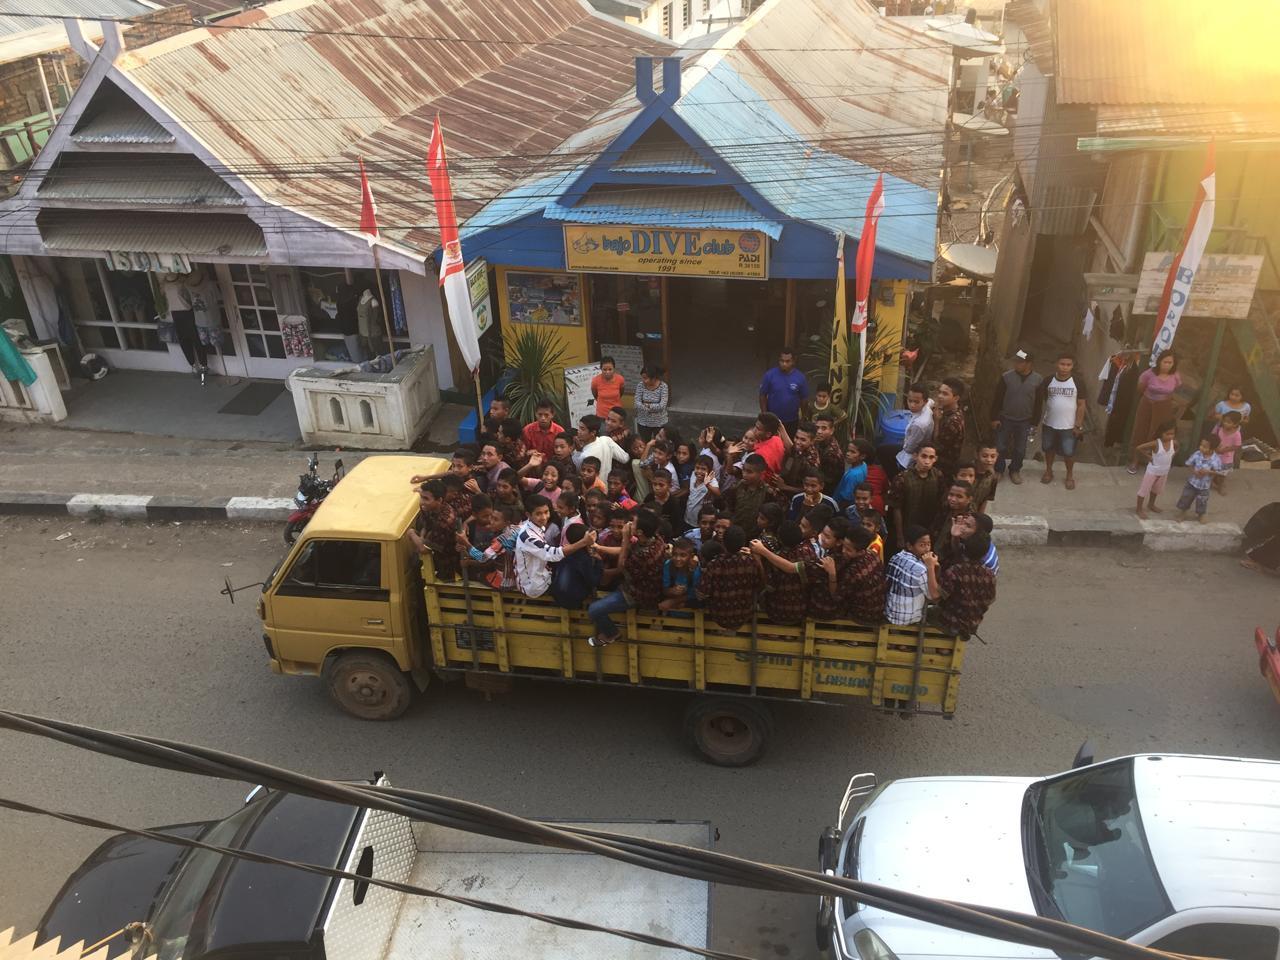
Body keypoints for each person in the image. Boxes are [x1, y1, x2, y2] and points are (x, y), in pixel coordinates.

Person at [587, 510, 666, 647]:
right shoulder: (656, 539)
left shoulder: (644, 555)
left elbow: (621, 565)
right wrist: (598, 547)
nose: (629, 525)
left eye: (633, 523)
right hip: (641, 583)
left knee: (594, 610)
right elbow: (625, 550)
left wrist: (625, 538)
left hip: (636, 593)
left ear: (640, 532)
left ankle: (612, 634)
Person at [514, 495, 597, 598]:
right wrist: (583, 542)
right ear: (528, 515)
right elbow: (553, 554)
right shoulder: (528, 536)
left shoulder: (532, 526)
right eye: (538, 514)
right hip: (534, 586)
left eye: (546, 512)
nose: (544, 517)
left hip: (537, 575)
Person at [989, 349, 1042, 484]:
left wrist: (1034, 423)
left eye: (1020, 362)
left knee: (1020, 448)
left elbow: (1038, 403)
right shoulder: (1006, 377)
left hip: (1025, 420)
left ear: (1029, 364)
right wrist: (994, 418)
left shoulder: (1037, 380)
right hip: (1005, 418)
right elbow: (997, 399)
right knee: (1000, 446)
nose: (1016, 364)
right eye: (1016, 361)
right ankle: (999, 469)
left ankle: (1015, 470)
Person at [1036, 352, 1087, 490]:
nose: (1065, 367)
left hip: (1069, 426)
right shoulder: (1048, 380)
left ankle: (1069, 475)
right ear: (1056, 364)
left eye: (1068, 365)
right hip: (1049, 423)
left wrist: (1078, 425)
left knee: (1068, 452)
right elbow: (1045, 399)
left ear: (1072, 366)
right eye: (1062, 364)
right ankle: (1048, 471)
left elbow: (1081, 405)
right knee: (1048, 448)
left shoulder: (1078, 382)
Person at [698, 525, 763, 629]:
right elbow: (758, 585)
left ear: (723, 542)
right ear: (743, 544)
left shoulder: (714, 564)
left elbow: (702, 593)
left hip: (718, 616)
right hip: (745, 615)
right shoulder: (751, 563)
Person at [1128, 350, 1183, 474]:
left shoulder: (1175, 376)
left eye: (1170, 363)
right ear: (1159, 362)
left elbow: (1176, 390)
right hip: (1147, 403)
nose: (1167, 365)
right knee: (1140, 430)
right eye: (1165, 362)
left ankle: (1153, 461)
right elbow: (1140, 388)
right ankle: (1134, 460)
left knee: (1158, 433)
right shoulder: (1149, 374)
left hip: (1164, 406)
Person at [751, 523, 815, 625]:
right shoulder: (808, 551)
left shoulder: (775, 559)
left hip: (777, 613)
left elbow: (768, 585)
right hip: (801, 611)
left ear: (779, 540)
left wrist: (759, 557)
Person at [935, 533, 996, 637]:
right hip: (973, 623)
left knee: (926, 612)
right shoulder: (990, 575)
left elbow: (937, 597)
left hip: (950, 622)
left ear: (964, 548)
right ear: (985, 553)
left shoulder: (954, 571)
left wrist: (934, 572)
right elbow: (990, 600)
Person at [887, 444, 944, 550]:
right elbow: (896, 508)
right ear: (915, 456)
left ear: (935, 459)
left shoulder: (938, 476)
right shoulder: (902, 479)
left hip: (928, 528)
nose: (927, 461)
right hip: (908, 528)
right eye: (924, 456)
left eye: (931, 457)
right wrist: (900, 536)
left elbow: (940, 501)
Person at [884, 526, 939, 626]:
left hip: (890, 612)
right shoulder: (921, 569)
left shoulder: (896, 556)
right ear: (909, 546)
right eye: (922, 545)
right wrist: (931, 568)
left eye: (929, 544)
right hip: (907, 619)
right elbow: (934, 596)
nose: (927, 549)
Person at [407, 479, 460, 581]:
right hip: (433, 546)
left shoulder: (445, 520)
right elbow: (426, 526)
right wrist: (422, 538)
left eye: (426, 498)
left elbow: (424, 549)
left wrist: (412, 533)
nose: (422, 502)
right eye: (421, 497)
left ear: (439, 500)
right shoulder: (427, 507)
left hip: (447, 563)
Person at [835, 525, 887, 622]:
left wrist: (831, 575)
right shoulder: (872, 554)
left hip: (862, 616)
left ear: (860, 552)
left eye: (848, 550)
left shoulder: (854, 572)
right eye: (843, 547)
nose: (843, 551)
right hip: (878, 610)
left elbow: (837, 597)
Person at [884, 382, 934, 476]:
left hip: (912, 454)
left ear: (924, 401)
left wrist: (904, 444)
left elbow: (909, 448)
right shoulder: (927, 405)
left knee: (884, 453)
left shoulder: (919, 424)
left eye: (916, 402)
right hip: (915, 444)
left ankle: (894, 478)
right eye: (910, 401)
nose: (912, 405)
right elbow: (932, 402)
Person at [758, 346, 809, 435]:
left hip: (792, 420)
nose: (784, 364)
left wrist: (803, 417)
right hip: (772, 420)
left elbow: (804, 399)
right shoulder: (769, 375)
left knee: (789, 444)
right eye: (782, 361)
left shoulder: (801, 378)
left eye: (787, 361)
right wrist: (764, 414)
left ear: (793, 361)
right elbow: (762, 395)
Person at [551, 523, 603, 609]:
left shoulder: (564, 552)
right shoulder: (584, 558)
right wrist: (599, 562)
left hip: (557, 596)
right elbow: (593, 581)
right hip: (574, 599)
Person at [1176, 435, 1225, 524]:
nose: (1201, 448)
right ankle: (1183, 513)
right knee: (1186, 497)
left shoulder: (1216, 459)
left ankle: (1201, 514)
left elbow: (1218, 472)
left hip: (1204, 486)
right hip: (1192, 482)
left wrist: (1208, 472)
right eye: (1201, 445)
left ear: (1212, 449)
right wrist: (1194, 471)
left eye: (1205, 447)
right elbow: (1189, 464)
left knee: (1202, 501)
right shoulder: (1197, 454)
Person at [1134, 421, 1177, 520]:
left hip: (1164, 472)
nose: (1170, 436)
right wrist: (1149, 457)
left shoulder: (1173, 443)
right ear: (1161, 433)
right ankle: (1139, 509)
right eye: (1167, 434)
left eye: (1172, 434)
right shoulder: (1156, 443)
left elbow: (1177, 448)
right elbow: (1139, 448)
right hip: (1152, 471)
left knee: (1156, 490)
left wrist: (1172, 456)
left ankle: (1151, 504)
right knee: (1144, 490)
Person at [724, 453, 772, 535]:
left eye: (749, 472)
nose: (744, 474)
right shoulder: (736, 487)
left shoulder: (768, 493)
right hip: (735, 533)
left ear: (761, 473)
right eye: (743, 470)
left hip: (754, 536)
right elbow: (728, 508)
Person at [577, 414, 629, 482]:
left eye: (582, 429)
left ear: (593, 432)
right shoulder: (606, 440)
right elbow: (625, 458)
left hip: (594, 490)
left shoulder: (584, 455)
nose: (578, 431)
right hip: (610, 487)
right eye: (579, 428)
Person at [933, 378, 967, 481]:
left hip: (943, 466)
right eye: (939, 392)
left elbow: (937, 445)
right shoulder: (948, 410)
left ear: (956, 398)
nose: (939, 396)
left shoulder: (953, 421)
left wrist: (937, 421)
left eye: (945, 394)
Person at [660, 537, 702, 612]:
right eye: (675, 554)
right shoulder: (668, 565)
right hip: (672, 611)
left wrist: (673, 601)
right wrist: (672, 591)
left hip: (692, 612)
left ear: (691, 556)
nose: (678, 559)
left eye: (683, 555)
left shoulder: (695, 570)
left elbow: (695, 594)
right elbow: (664, 589)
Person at [684, 455, 720, 530]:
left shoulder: (711, 481)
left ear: (709, 471)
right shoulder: (694, 475)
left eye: (703, 469)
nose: (699, 471)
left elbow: (718, 493)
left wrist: (708, 485)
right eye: (697, 468)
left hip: (700, 522)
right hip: (688, 516)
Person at [634, 365, 669, 440]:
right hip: (643, 422)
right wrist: (652, 407)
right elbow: (637, 403)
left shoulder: (663, 387)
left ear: (653, 378)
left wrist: (647, 405)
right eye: (642, 378)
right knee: (644, 442)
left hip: (659, 422)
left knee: (660, 443)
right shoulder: (640, 385)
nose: (643, 380)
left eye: (645, 378)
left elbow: (662, 406)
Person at [812, 412, 845, 492]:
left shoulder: (832, 454)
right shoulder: (820, 441)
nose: (819, 431)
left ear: (832, 430)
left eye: (824, 428)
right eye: (817, 427)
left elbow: (826, 482)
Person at [1211, 411, 1243, 493]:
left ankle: (1220, 486)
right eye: (1224, 421)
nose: (1225, 423)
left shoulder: (1237, 434)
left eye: (1229, 422)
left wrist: (1224, 450)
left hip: (1226, 458)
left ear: (1235, 424)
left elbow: (1236, 446)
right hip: (1215, 454)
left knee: (1222, 474)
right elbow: (1213, 437)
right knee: (1212, 470)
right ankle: (1210, 482)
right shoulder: (1219, 429)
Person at [833, 439, 869, 507]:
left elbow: (846, 499)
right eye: (848, 450)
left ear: (862, 456)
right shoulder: (863, 464)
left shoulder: (853, 475)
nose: (848, 454)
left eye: (853, 452)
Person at [971, 444, 999, 513]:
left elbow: (986, 500)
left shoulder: (993, 477)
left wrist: (979, 518)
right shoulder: (966, 471)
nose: (989, 460)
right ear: (976, 455)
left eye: (993, 456)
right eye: (984, 456)